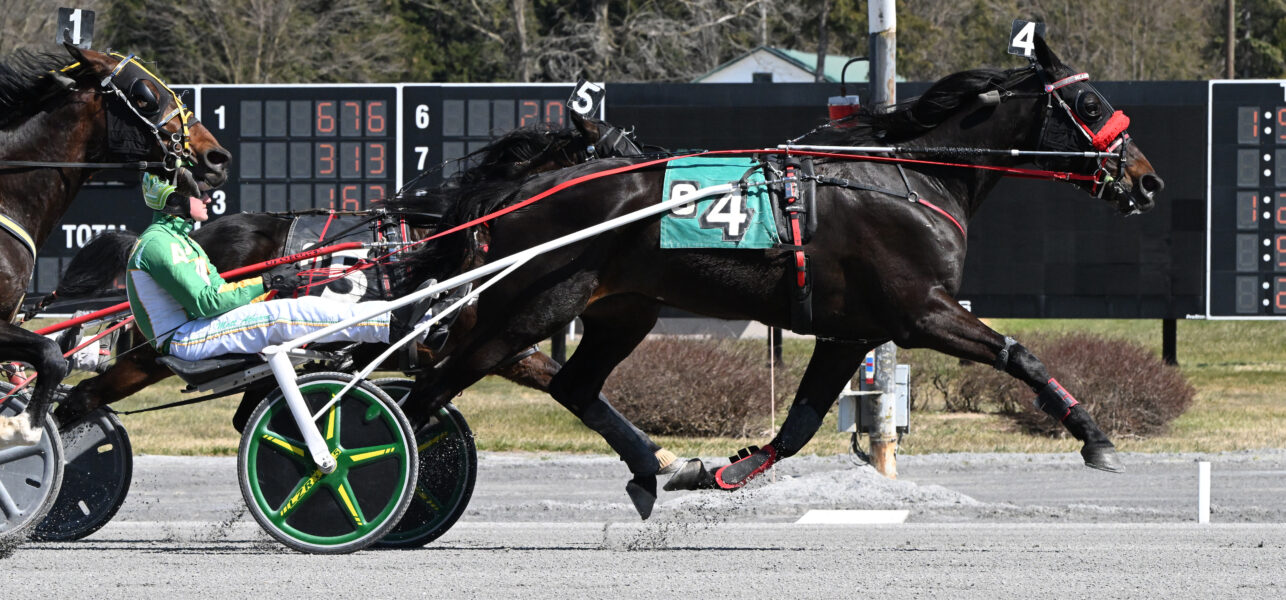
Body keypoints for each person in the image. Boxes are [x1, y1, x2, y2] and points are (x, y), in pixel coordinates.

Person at [127, 173, 432, 361]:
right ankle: (392, 325)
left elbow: (219, 290)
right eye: (198, 192)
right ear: (176, 201)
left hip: (197, 328)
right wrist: (267, 282)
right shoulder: (158, 245)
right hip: (184, 339)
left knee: (295, 305)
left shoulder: (183, 242)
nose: (207, 197)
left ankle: (404, 319)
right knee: (283, 315)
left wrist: (267, 290)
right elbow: (207, 303)